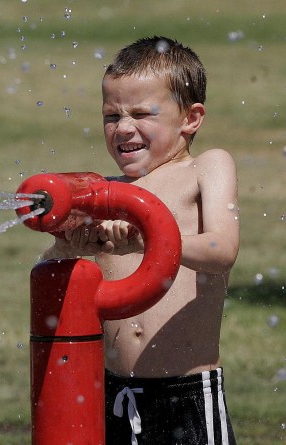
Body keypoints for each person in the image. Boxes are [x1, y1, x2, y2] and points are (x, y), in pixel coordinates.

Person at [41, 36, 239, 444]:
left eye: (140, 114)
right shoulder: (104, 193)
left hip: (186, 395)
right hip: (113, 392)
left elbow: (223, 250)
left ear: (191, 118)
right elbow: (48, 279)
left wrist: (150, 242)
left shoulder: (206, 168)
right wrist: (67, 247)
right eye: (111, 115)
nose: (123, 127)